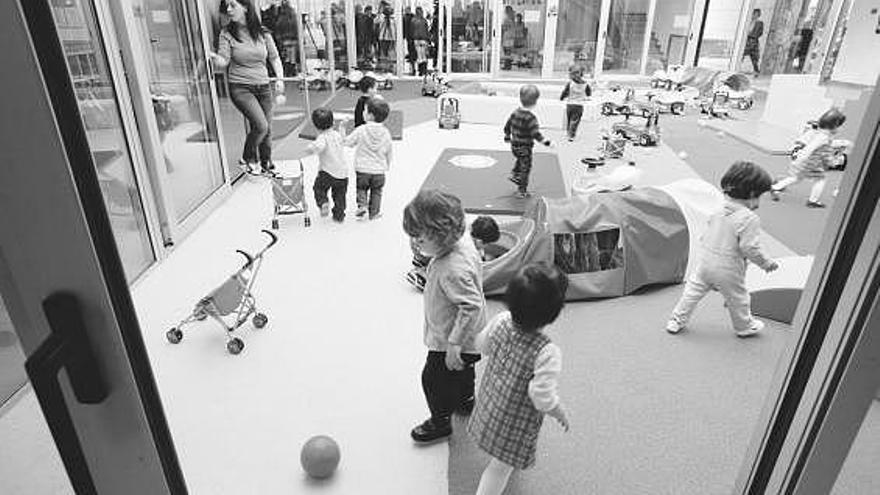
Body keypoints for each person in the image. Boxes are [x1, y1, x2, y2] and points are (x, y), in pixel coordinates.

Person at [468, 263, 570, 495]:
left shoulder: (501, 320)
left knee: (497, 453)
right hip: (514, 421)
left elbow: (481, 345)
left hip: (491, 403)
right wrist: (558, 411)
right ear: (553, 313)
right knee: (499, 469)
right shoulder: (547, 352)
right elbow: (541, 396)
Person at [403, 189, 487, 443]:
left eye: (419, 239)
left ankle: (440, 421)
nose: (414, 244)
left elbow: (470, 305)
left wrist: (454, 344)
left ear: (442, 236)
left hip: (453, 338)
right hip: (471, 336)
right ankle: (465, 400)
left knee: (434, 379)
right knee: (463, 370)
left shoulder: (452, 268)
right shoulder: (462, 243)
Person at [666, 161, 779, 338]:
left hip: (705, 262)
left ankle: (676, 320)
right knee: (738, 299)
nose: (759, 201)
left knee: (692, 292)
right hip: (729, 268)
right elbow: (749, 247)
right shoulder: (749, 218)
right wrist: (766, 263)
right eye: (760, 196)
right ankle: (744, 327)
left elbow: (707, 233)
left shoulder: (717, 208)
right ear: (751, 194)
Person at [210, 0, 284, 173]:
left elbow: (274, 57)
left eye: (232, 5)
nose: (228, 10)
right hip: (241, 88)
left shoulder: (262, 33)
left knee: (267, 129)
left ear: (245, 7)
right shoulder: (226, 34)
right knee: (261, 126)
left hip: (264, 87)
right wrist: (214, 58)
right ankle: (247, 157)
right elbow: (224, 61)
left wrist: (279, 79)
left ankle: (266, 164)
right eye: (226, 6)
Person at [770, 108, 846, 208]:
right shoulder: (823, 137)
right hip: (811, 163)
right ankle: (813, 201)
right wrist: (800, 159)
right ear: (833, 126)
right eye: (839, 126)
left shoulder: (822, 134)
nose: (840, 129)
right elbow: (810, 148)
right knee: (820, 180)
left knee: (796, 178)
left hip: (808, 162)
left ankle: (775, 187)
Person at [344, 98, 393, 220]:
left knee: (362, 188)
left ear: (370, 115)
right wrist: (387, 164)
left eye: (364, 110)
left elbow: (348, 143)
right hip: (379, 170)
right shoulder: (386, 133)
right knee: (377, 192)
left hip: (363, 169)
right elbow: (389, 151)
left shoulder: (361, 130)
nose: (363, 112)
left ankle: (362, 206)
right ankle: (374, 213)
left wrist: (342, 129)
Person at [504, 84, 552, 198]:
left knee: (520, 160)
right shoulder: (531, 118)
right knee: (526, 167)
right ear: (535, 101)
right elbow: (535, 133)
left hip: (514, 145)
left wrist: (507, 136)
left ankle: (515, 173)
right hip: (525, 147)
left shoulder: (515, 112)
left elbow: (507, 125)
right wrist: (545, 142)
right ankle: (522, 190)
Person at [305, 108, 347, 223]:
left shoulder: (322, 137)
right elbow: (344, 140)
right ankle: (339, 215)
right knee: (340, 195)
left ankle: (323, 202)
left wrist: (310, 148)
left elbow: (319, 146)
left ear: (316, 127)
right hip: (342, 173)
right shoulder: (337, 135)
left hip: (327, 172)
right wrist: (342, 127)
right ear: (333, 122)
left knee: (319, 188)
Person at [559, 64, 592, 141]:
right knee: (575, 120)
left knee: (569, 119)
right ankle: (571, 135)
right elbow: (589, 93)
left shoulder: (570, 83)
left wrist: (562, 97)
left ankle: (568, 132)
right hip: (579, 105)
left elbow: (565, 92)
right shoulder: (586, 84)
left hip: (570, 104)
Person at [742, 9, 764, 75]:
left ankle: (756, 71)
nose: (755, 15)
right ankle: (736, 66)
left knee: (754, 57)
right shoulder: (748, 21)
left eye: (757, 14)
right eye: (754, 14)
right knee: (742, 54)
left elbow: (760, 33)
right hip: (747, 40)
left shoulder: (760, 23)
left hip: (753, 41)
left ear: (758, 15)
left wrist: (753, 36)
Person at [411, 7, 432, 76]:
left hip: (416, 39)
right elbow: (426, 30)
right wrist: (429, 39)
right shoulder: (424, 20)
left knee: (419, 55)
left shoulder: (413, 20)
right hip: (423, 39)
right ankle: (424, 70)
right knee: (424, 55)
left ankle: (420, 70)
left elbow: (411, 31)